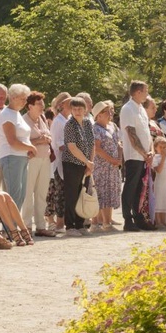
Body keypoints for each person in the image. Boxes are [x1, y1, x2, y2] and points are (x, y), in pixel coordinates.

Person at [120, 81, 154, 232]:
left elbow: (147, 133)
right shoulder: (128, 109)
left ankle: (139, 217)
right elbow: (131, 135)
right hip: (134, 155)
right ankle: (128, 219)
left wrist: (151, 151)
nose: (147, 94)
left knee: (140, 189)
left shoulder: (141, 109)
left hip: (144, 156)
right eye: (145, 91)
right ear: (138, 92)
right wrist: (143, 152)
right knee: (130, 187)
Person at [21, 91, 56, 237]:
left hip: (45, 158)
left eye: (42, 103)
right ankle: (27, 226)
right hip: (31, 159)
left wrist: (46, 138)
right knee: (28, 193)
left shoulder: (42, 118)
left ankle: (41, 226)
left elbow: (48, 135)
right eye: (39, 104)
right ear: (30, 106)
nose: (42, 106)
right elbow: (22, 142)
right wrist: (40, 140)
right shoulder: (23, 120)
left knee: (42, 193)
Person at [0, 84, 36, 209]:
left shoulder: (16, 113)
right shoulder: (6, 114)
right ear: (13, 97)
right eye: (22, 98)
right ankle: (9, 227)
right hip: (11, 156)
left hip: (21, 157)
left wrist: (28, 149)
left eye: (26, 98)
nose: (25, 102)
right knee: (14, 195)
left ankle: (13, 225)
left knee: (20, 195)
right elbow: (12, 141)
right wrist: (31, 148)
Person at [62, 97, 95, 237]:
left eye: (80, 109)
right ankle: (70, 226)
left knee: (83, 193)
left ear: (85, 109)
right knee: (71, 194)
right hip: (72, 164)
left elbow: (92, 144)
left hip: (86, 164)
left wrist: (90, 164)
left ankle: (80, 223)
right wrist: (87, 161)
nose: (77, 111)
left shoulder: (87, 123)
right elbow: (72, 147)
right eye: (74, 109)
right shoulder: (69, 124)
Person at [92, 101, 122, 232]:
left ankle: (107, 222)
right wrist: (111, 160)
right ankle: (98, 223)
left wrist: (119, 158)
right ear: (98, 115)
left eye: (110, 111)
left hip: (113, 167)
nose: (110, 114)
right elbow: (97, 149)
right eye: (106, 112)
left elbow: (119, 143)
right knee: (101, 193)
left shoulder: (113, 126)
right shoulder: (95, 128)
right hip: (102, 167)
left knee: (110, 192)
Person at [46, 92, 71, 233]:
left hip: (68, 161)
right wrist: (73, 147)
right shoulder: (58, 121)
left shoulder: (67, 120)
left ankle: (65, 220)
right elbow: (56, 143)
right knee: (59, 192)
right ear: (62, 105)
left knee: (65, 192)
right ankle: (59, 222)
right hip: (59, 162)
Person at [152, 137, 166, 229]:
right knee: (159, 201)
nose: (164, 149)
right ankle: (158, 221)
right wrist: (163, 158)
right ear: (156, 147)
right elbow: (159, 170)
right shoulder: (155, 158)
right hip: (159, 183)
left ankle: (164, 221)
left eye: (165, 147)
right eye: (161, 147)